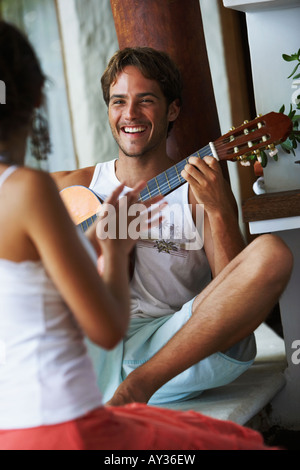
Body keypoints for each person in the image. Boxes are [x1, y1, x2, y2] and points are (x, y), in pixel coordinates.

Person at [52, 46, 293, 409]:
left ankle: (136, 387)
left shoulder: (199, 194)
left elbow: (235, 302)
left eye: (145, 100)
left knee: (272, 254)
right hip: (86, 349)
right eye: (118, 101)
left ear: (173, 109)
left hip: (174, 349)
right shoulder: (75, 185)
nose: (129, 114)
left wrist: (221, 211)